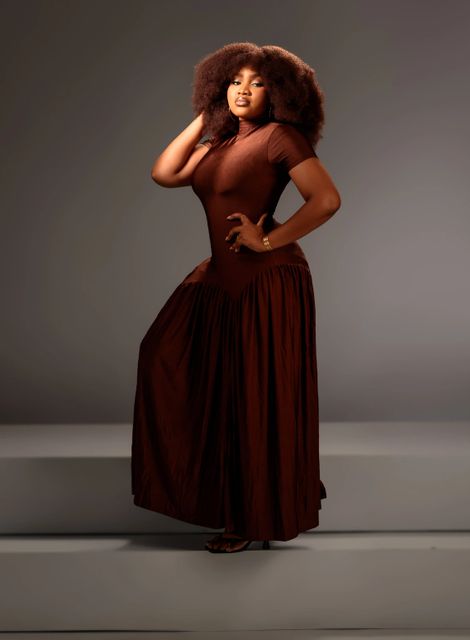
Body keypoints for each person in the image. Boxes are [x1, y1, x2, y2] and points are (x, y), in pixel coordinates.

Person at [131, 42, 340, 553]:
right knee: (165, 357)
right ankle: (259, 490)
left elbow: (327, 199)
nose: (244, 89)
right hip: (222, 277)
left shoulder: (281, 138)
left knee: (252, 395)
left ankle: (250, 515)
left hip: (267, 280)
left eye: (258, 82)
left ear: (281, 94)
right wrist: (206, 115)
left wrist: (268, 238)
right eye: (235, 80)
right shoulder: (220, 142)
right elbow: (165, 172)